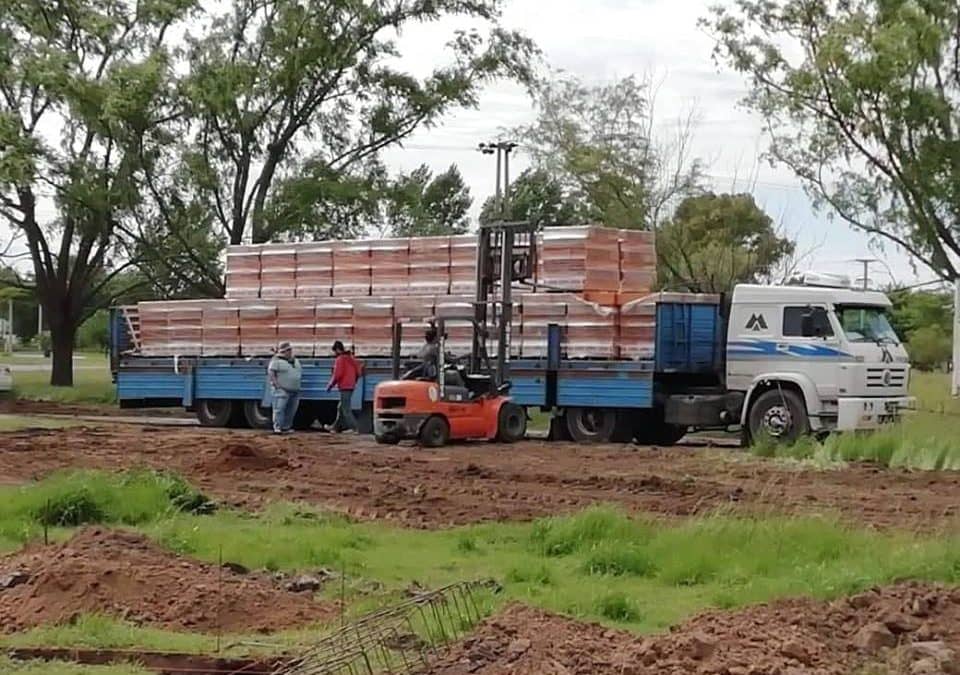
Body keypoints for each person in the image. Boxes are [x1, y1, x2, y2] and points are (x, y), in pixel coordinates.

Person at [327, 340, 361, 433]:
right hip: (351, 386)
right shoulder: (352, 358)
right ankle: (335, 427)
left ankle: (354, 428)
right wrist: (354, 381)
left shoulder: (340, 359)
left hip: (344, 386)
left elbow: (338, 374)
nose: (334, 353)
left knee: (346, 409)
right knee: (341, 407)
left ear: (337, 349)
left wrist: (330, 385)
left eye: (334, 351)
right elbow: (358, 372)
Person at [268, 341, 302, 434]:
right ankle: (277, 427)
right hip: (282, 390)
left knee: (291, 410)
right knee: (279, 409)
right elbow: (271, 373)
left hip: (294, 390)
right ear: (283, 351)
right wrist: (276, 385)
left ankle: (286, 427)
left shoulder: (294, 360)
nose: (290, 352)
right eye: (288, 350)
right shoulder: (276, 361)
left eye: (290, 350)